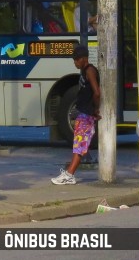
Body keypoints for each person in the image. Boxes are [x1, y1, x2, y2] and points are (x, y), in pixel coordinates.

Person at [51, 45, 100, 185]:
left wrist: (96, 109)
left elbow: (97, 92)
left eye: (77, 59)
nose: (75, 62)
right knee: (79, 144)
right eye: (74, 59)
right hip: (83, 112)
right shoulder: (85, 71)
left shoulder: (90, 70)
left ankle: (69, 174)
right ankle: (69, 173)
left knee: (79, 145)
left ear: (84, 58)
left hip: (86, 113)